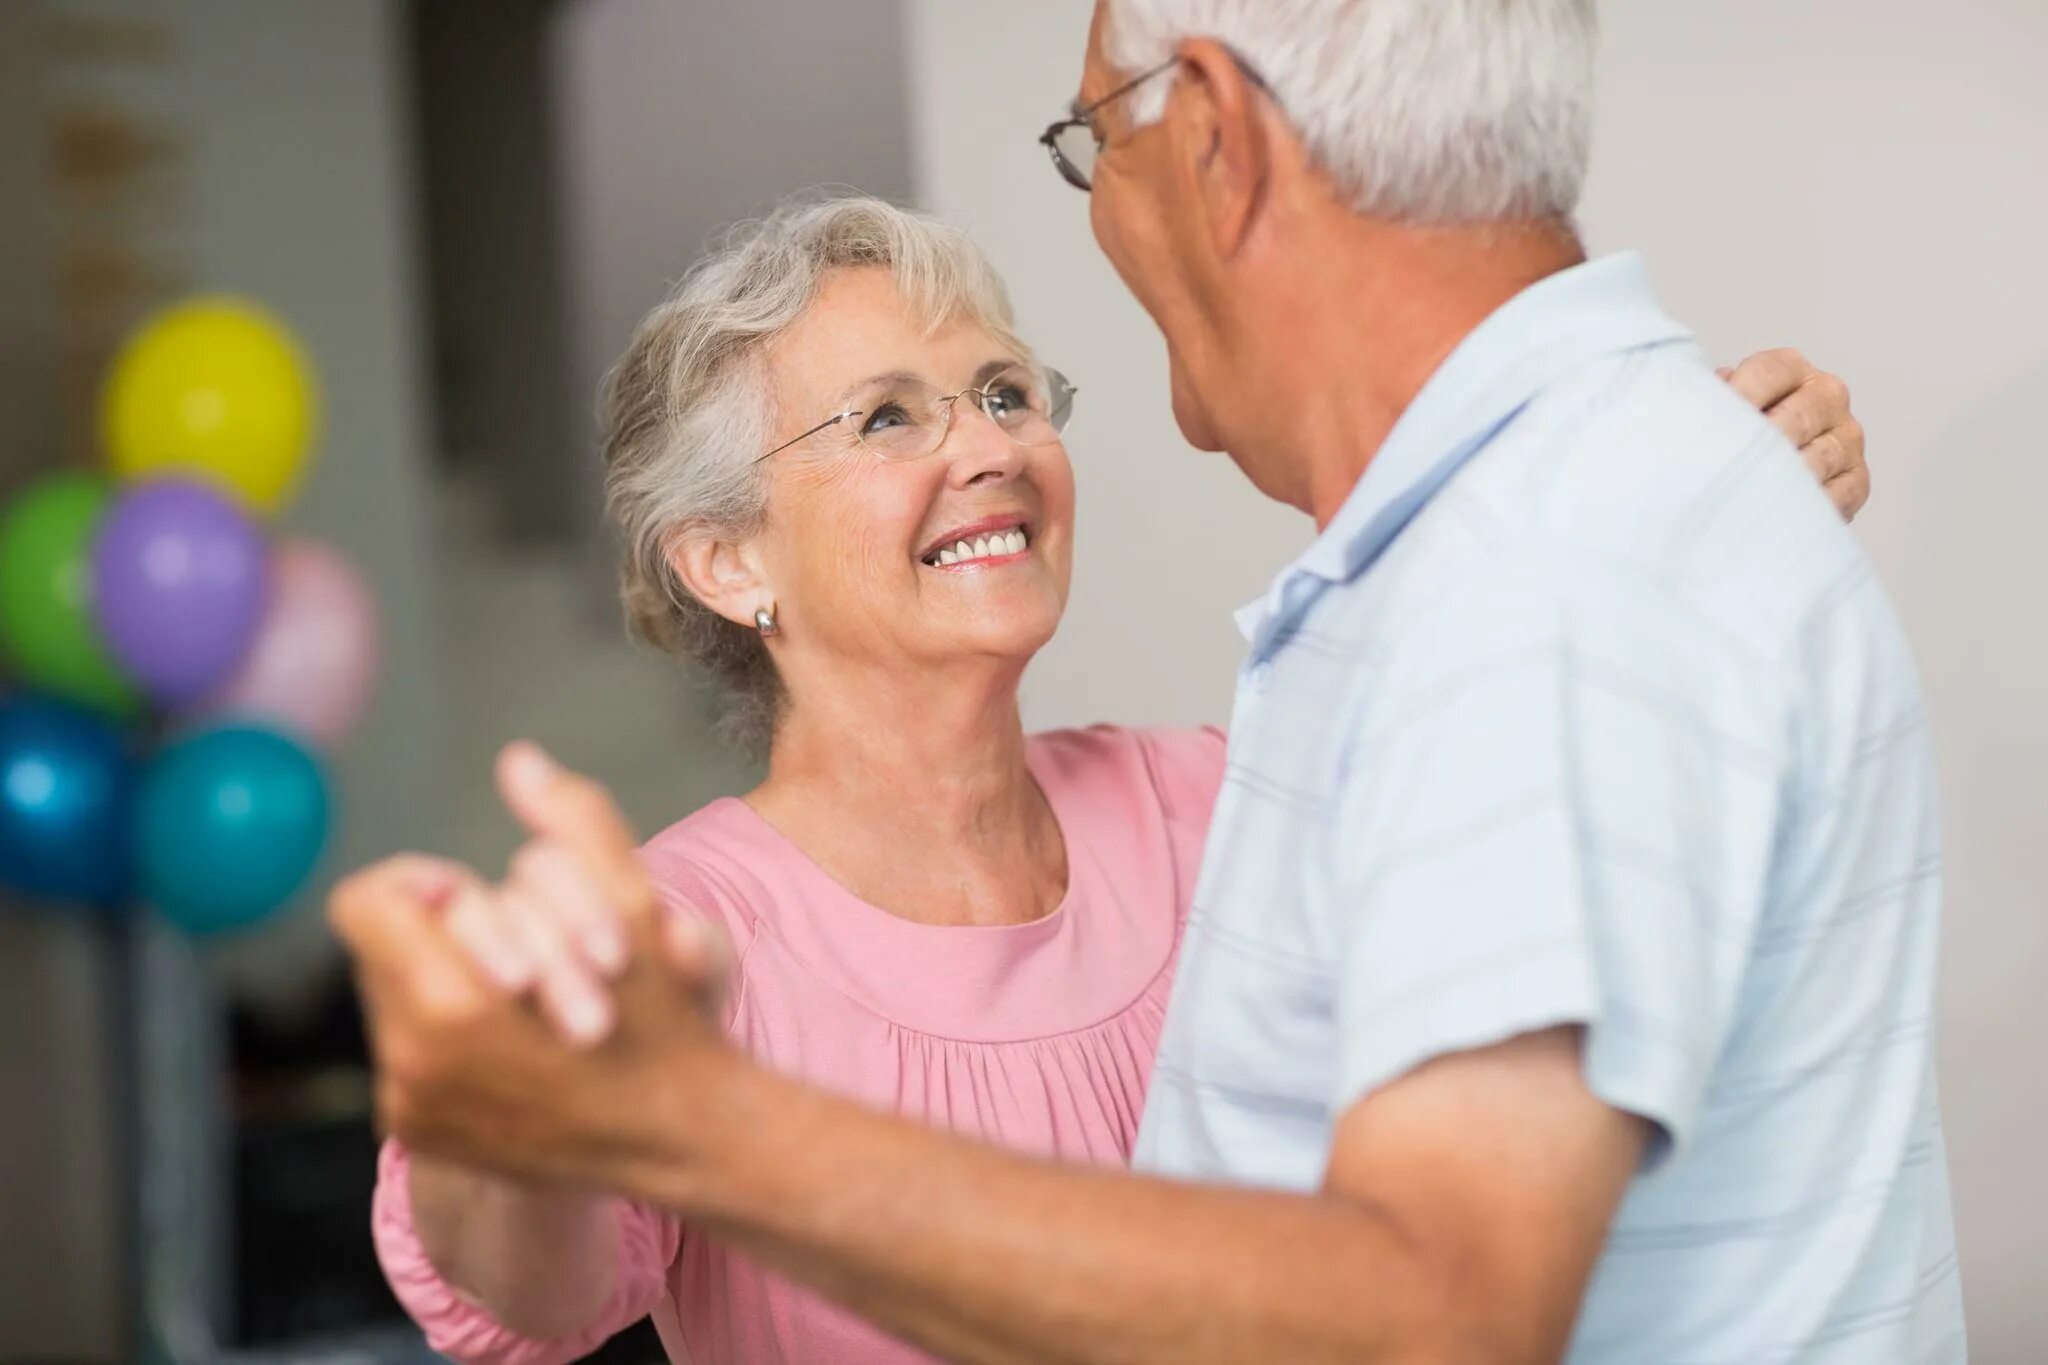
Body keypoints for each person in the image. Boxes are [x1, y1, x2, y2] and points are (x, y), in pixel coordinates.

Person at [336, 3, 1958, 1362]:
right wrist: (522, 1113)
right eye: (888, 418)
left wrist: (1659, 543)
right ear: (723, 559)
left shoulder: (1218, 791)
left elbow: (1432, 1274)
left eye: (1002, 389)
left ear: (1223, 146)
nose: (986, 445)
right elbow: (520, 1291)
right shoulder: (690, 927)